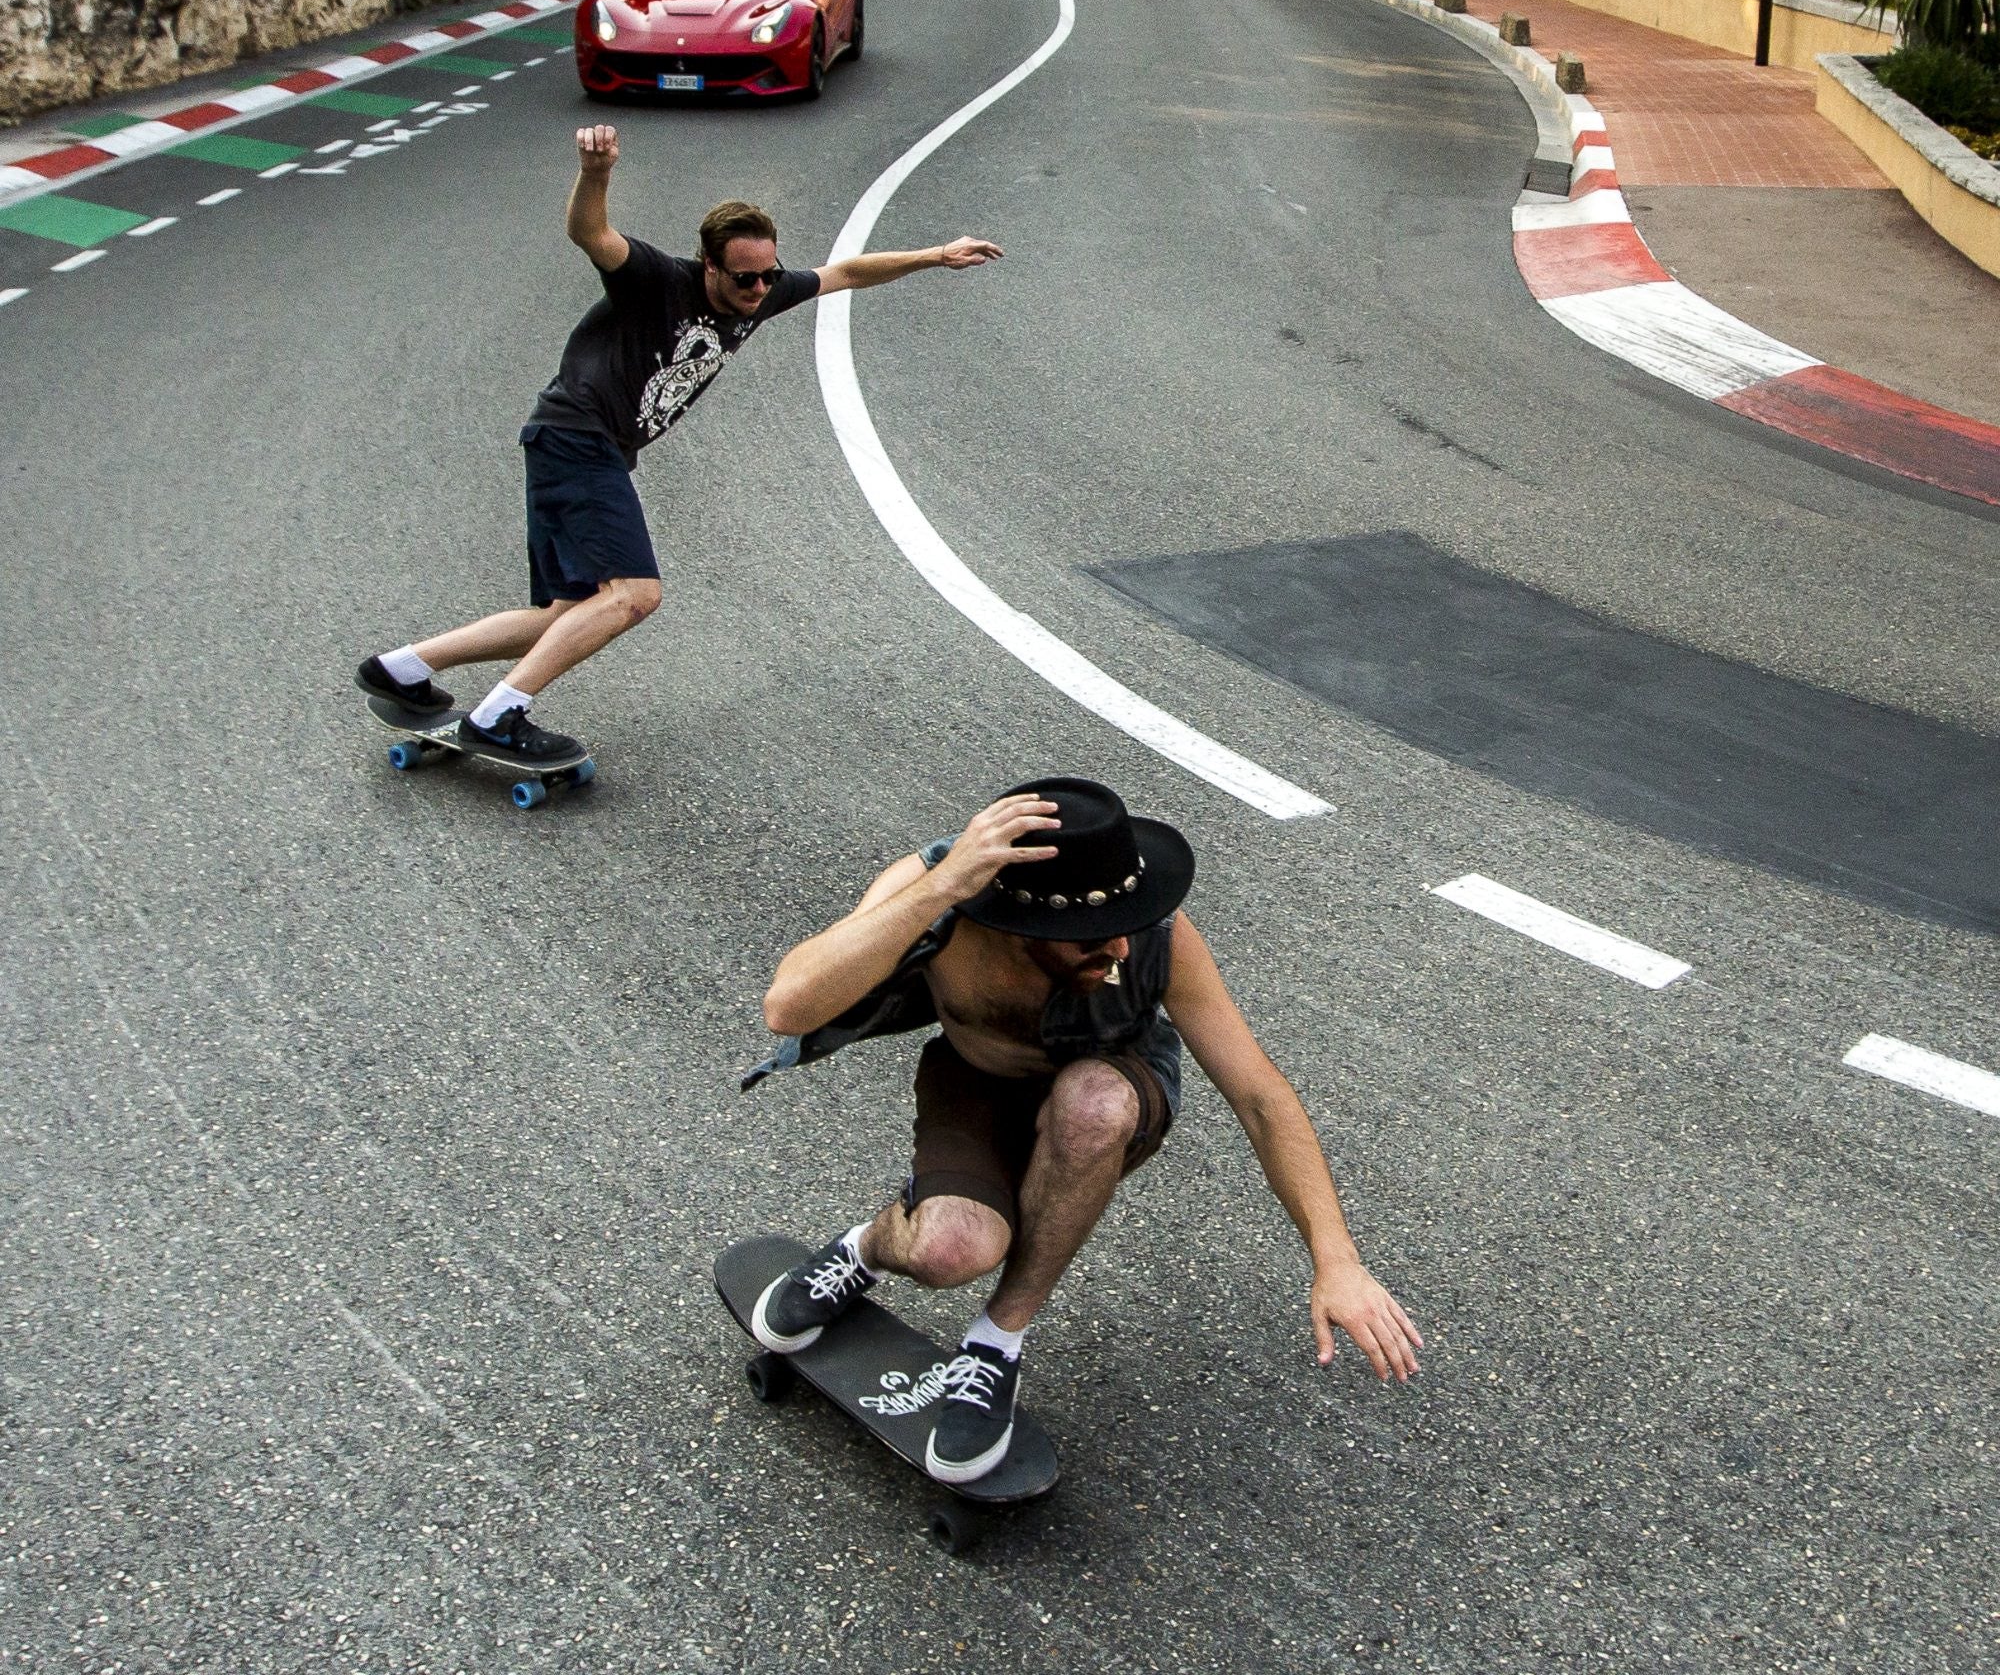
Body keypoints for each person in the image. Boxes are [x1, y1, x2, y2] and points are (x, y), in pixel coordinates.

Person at [743, 778, 1424, 1485]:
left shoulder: (1154, 938)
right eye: (1093, 939)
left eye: (1129, 922)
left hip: (1110, 1088)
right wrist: (939, 887)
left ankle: (997, 1341)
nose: (1123, 949)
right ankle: (866, 1249)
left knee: (1093, 1105)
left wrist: (1335, 1258)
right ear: (1024, 923)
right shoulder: (937, 899)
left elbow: (1258, 1094)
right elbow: (788, 1006)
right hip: (977, 1080)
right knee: (947, 1251)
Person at [356, 126, 1002, 761]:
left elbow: (845, 273)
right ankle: (498, 716)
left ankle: (400, 669)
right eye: (743, 278)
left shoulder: (764, 294)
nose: (758, 290)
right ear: (710, 265)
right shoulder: (657, 280)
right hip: (577, 439)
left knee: (571, 610)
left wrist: (933, 255)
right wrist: (598, 174)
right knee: (635, 594)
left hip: (574, 447)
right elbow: (591, 234)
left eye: (768, 276)